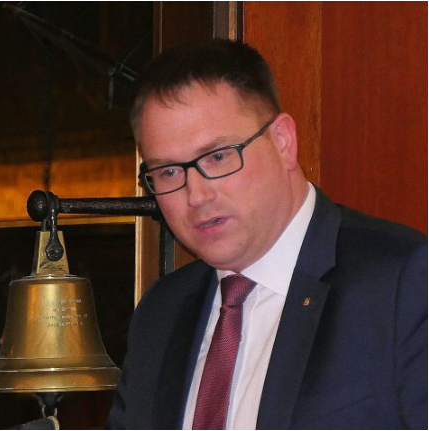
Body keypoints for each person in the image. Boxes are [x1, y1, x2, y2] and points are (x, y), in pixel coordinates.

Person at [107, 39, 427, 430]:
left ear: (283, 141)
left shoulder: (405, 283)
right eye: (169, 172)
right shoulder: (162, 312)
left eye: (218, 157)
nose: (197, 195)